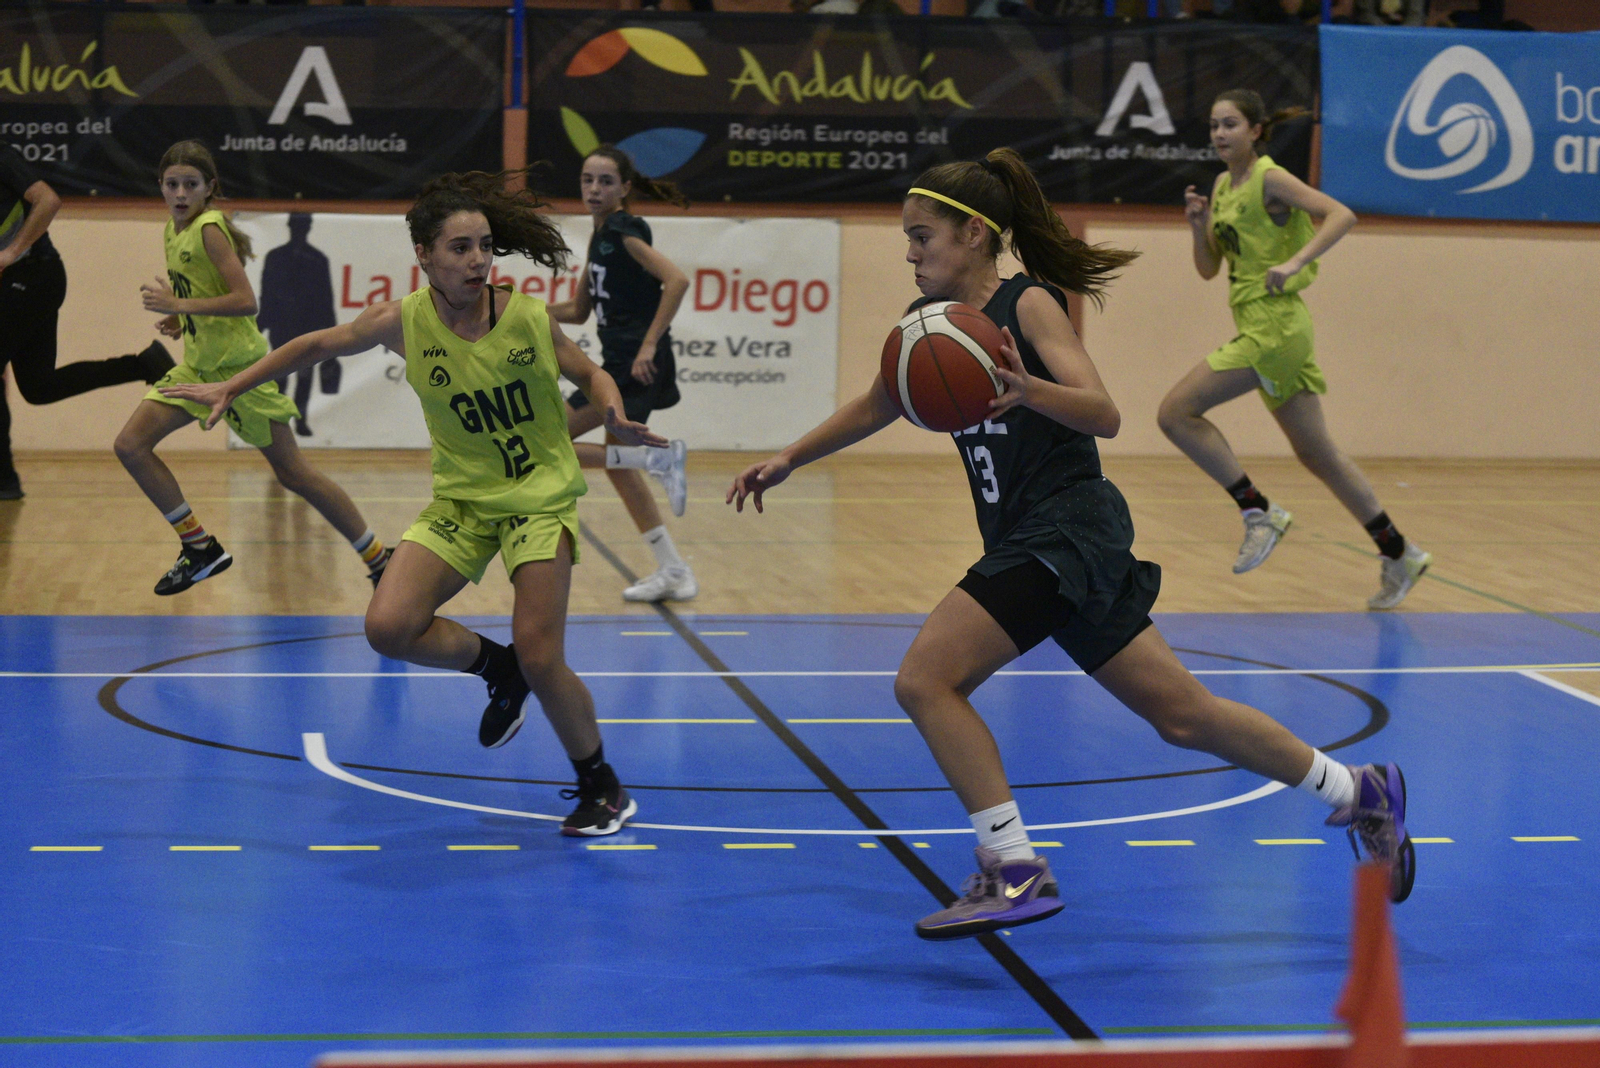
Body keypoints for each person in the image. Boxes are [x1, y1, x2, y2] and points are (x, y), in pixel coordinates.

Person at [728, 148, 1415, 940]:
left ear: (976, 235)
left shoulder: (1031, 306)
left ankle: (1013, 867)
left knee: (925, 680)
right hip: (1039, 536)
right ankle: (1359, 789)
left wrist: (1030, 391)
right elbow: (879, 403)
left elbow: (1102, 411)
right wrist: (789, 458)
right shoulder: (929, 329)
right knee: (1184, 716)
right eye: (907, 241)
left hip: (1067, 525)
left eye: (923, 237)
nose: (911, 253)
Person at [162, 169, 659, 836]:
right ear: (424, 256)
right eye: (460, 248)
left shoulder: (525, 316)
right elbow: (312, 346)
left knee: (544, 655)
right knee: (387, 627)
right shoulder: (403, 322)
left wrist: (612, 411)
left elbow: (591, 372)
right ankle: (495, 667)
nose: (478, 259)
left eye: (484, 246)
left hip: (538, 501)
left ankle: (601, 782)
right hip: (461, 503)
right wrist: (232, 385)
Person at [1157, 90, 1430, 610]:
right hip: (1267, 325)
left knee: (1175, 413)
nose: (1219, 134)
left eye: (1230, 124)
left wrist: (1297, 262)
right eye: (1214, 125)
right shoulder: (1221, 186)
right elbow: (1210, 268)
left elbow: (1341, 215)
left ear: (1257, 130)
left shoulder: (1271, 179)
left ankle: (1257, 510)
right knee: (1317, 454)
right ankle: (1400, 552)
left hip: (1274, 327)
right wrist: (1198, 228)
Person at [114, 141, 391, 595]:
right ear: (160, 188)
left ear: (209, 189)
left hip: (241, 373)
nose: (180, 193)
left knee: (295, 474)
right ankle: (199, 546)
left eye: (190, 184)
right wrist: (181, 317)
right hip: (197, 369)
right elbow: (206, 292)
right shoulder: (173, 228)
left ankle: (379, 557)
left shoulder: (209, 228)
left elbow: (246, 301)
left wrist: (179, 303)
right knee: (130, 445)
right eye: (172, 184)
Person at [548, 145, 694, 604]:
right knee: (617, 468)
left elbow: (677, 280)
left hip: (634, 363)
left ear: (625, 188)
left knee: (548, 438)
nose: (594, 188)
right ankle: (672, 569)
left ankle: (661, 462)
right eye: (588, 179)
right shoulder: (600, 236)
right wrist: (516, 311)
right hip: (616, 363)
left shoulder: (622, 230)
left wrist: (649, 343)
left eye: (605, 181)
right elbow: (576, 310)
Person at [0, 143, 174, 500]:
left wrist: (11, 252)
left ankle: (4, 480)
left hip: (32, 277)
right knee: (38, 388)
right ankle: (142, 364)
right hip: (26, 283)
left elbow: (48, 200)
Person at [258, 213, 340, 437]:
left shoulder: (317, 259)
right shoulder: (276, 257)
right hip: (282, 326)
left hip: (306, 327)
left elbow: (325, 299)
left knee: (304, 377)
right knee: (280, 376)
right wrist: (260, 324)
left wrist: (330, 334)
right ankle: (278, 420)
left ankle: (299, 419)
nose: (299, 230)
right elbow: (267, 294)